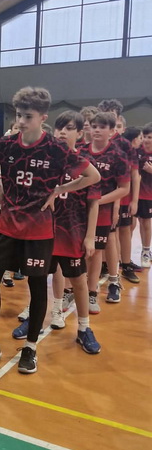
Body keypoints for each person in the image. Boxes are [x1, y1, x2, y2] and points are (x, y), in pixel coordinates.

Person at [0, 87, 99, 375]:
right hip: (7, 227)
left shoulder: (56, 149)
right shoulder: (8, 144)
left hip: (38, 232)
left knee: (36, 287)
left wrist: (59, 189)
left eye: (28, 116)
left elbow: (92, 176)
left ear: (43, 117)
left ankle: (31, 348)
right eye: (19, 115)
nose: (21, 121)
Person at [14, 111, 101, 354]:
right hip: (42, 231)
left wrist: (90, 236)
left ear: (80, 133)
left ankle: (84, 328)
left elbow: (94, 203)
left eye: (69, 128)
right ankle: (35, 319)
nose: (63, 132)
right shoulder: (44, 159)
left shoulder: (84, 163)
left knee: (79, 281)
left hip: (71, 232)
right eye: (60, 127)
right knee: (37, 278)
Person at [83, 112, 130, 312]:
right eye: (94, 126)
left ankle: (92, 293)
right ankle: (71, 291)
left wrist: (99, 201)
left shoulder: (118, 155)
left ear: (112, 131)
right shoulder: (81, 152)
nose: (97, 130)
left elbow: (124, 188)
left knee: (95, 253)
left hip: (101, 213)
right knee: (77, 253)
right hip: (77, 212)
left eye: (102, 127)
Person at [119, 126, 143, 283]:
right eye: (140, 137)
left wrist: (134, 200)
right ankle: (108, 266)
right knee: (113, 233)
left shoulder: (132, 153)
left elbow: (135, 177)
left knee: (126, 229)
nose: (142, 140)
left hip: (125, 198)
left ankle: (126, 265)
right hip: (112, 198)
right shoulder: (115, 149)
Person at [137, 122, 152, 268]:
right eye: (145, 136)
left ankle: (146, 251)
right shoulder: (137, 150)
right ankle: (123, 257)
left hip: (148, 194)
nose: (146, 140)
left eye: (150, 137)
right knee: (132, 224)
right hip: (133, 194)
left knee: (145, 222)